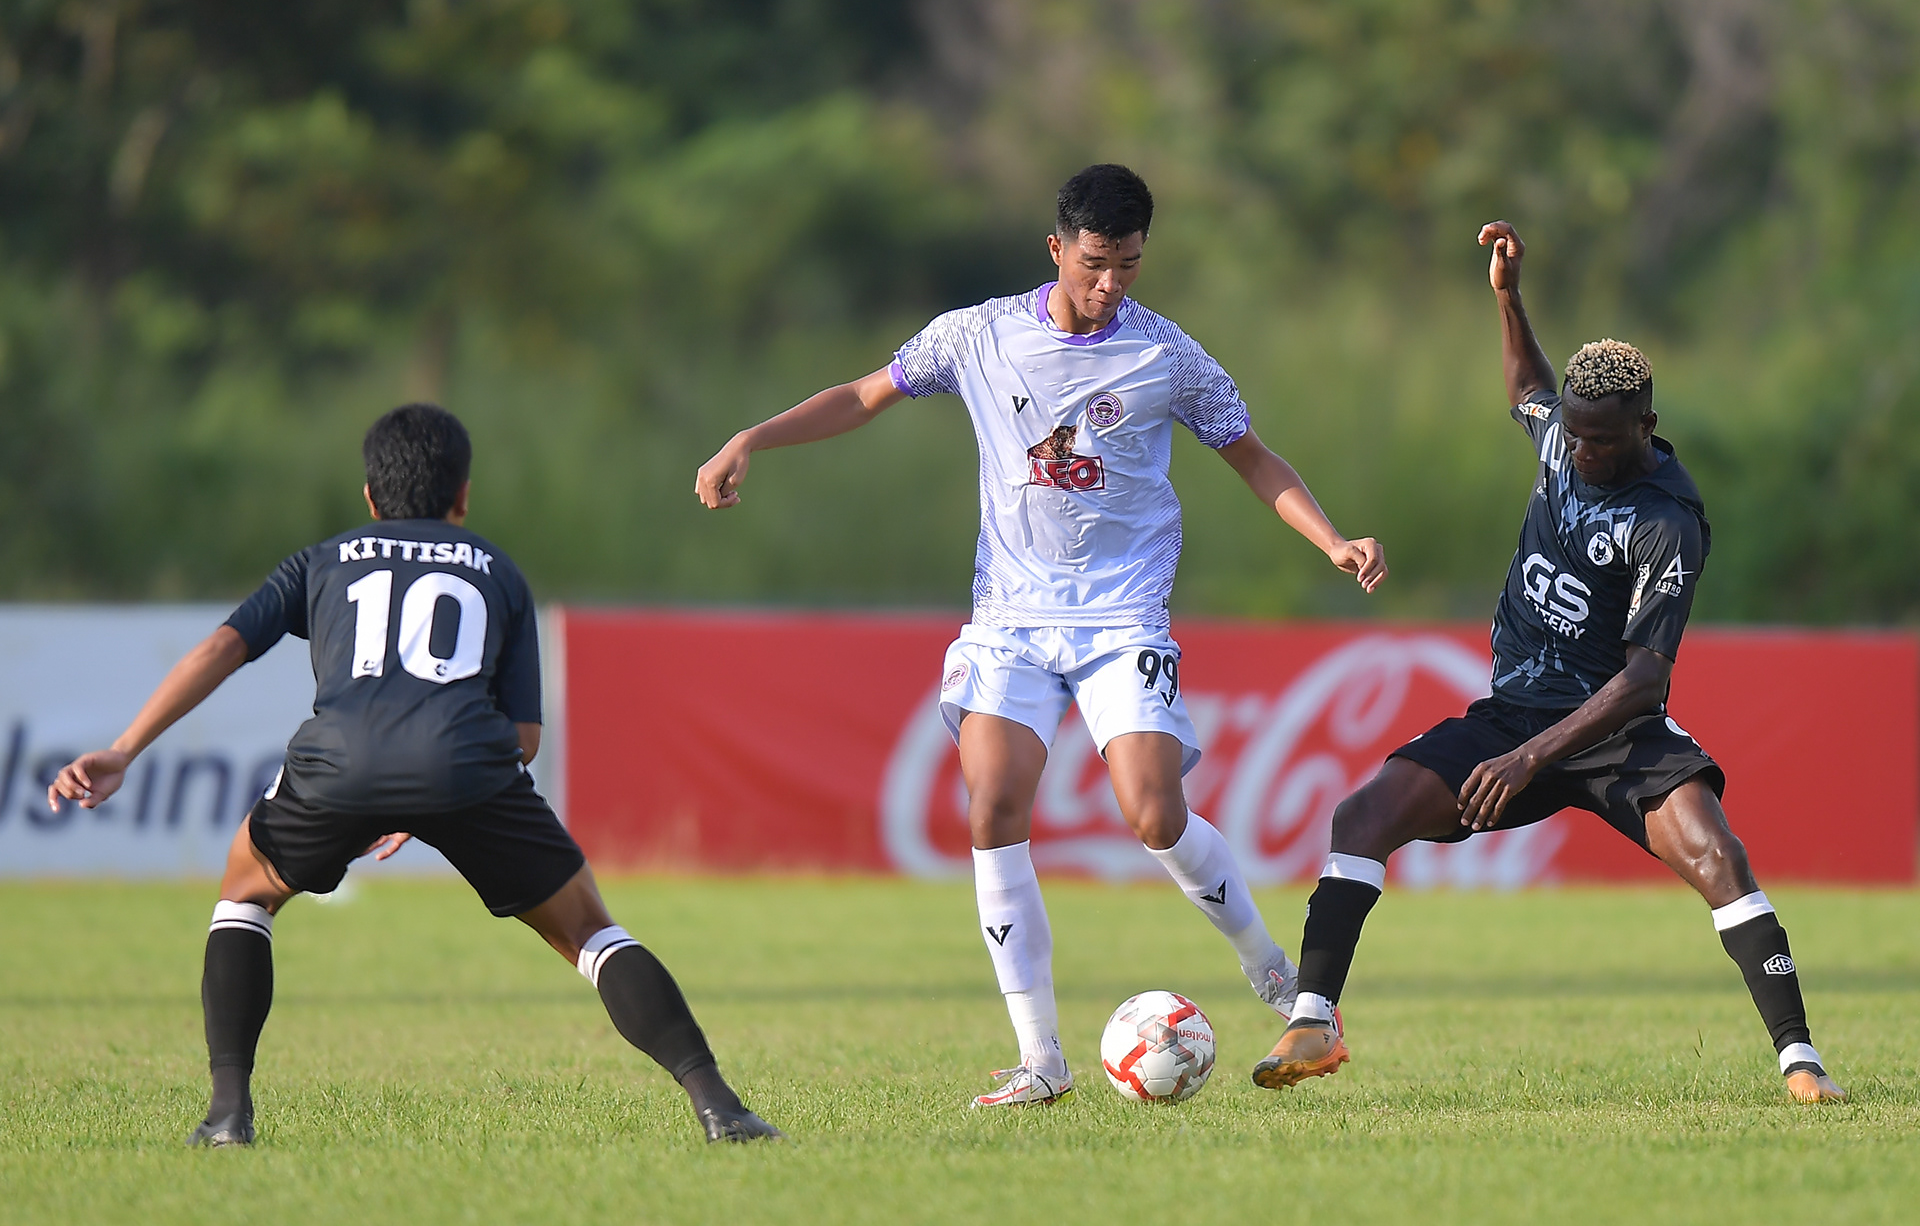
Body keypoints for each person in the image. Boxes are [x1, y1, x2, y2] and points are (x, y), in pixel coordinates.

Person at [696, 164, 1387, 1107]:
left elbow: (1253, 457)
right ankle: (1041, 1060)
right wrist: (752, 438)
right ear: (1056, 247)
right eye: (1095, 263)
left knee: (1153, 812)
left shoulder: (1166, 355)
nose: (1110, 284)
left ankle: (1267, 961)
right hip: (1010, 621)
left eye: (1129, 265)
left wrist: (1332, 539)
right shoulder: (976, 335)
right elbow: (862, 394)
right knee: (993, 807)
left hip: (1121, 616)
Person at [48, 404, 783, 1146]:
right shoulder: (499, 572)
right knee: (591, 930)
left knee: (246, 893)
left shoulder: (322, 560)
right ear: (462, 495)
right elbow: (524, 739)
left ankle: (227, 1115)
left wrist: (125, 748)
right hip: (467, 766)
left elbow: (221, 649)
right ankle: (719, 1106)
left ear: (370, 495)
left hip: (340, 765)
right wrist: (430, 787)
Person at [1251, 221, 1845, 1104]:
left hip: (1614, 727)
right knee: (1363, 814)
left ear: (1645, 425)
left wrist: (1530, 759)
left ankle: (1801, 1062)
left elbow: (1646, 679)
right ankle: (1313, 1018)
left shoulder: (1667, 520)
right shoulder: (1563, 434)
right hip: (1515, 710)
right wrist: (1508, 298)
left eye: (1601, 440)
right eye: (1574, 434)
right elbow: (1528, 386)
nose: (1582, 451)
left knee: (1719, 855)